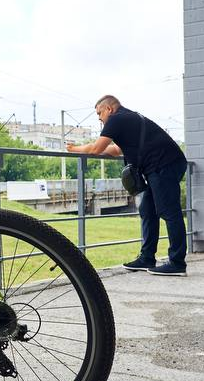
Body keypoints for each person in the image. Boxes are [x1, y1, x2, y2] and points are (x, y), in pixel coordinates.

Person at [66, 95, 188, 276]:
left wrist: (74, 149)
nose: (99, 118)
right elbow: (116, 150)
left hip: (164, 165)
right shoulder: (127, 119)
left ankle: (177, 263)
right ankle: (147, 258)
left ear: (109, 109)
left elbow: (96, 148)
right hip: (162, 165)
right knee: (147, 209)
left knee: (169, 212)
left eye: (99, 113)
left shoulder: (116, 119)